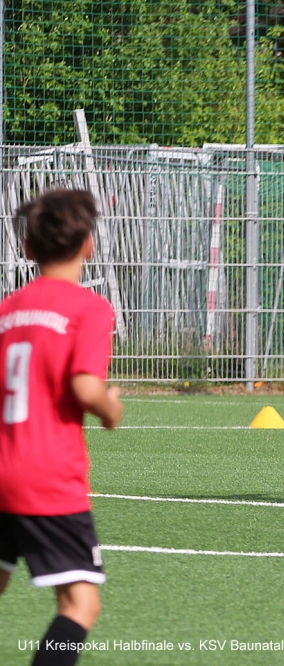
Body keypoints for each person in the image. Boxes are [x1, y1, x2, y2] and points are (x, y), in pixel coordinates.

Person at [0, 189, 124, 666]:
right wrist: (110, 409)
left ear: (27, 248)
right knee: (79, 605)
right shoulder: (88, 307)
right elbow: (86, 388)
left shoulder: (8, 310)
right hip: (46, 478)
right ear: (89, 244)